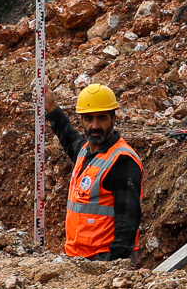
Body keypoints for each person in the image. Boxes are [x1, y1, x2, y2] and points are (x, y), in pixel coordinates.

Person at [46, 83, 142, 261]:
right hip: (79, 257)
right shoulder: (85, 151)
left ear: (113, 119)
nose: (94, 125)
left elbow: (128, 217)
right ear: (82, 121)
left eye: (102, 118)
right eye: (89, 119)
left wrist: (114, 262)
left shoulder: (122, 160)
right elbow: (69, 138)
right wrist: (51, 108)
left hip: (104, 260)